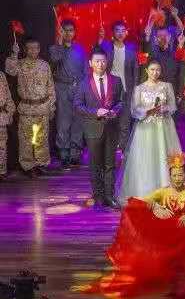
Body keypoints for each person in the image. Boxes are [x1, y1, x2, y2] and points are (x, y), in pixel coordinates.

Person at [87, 154, 185, 297]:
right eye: (174, 175)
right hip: (167, 231)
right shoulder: (163, 191)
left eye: (180, 175)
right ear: (170, 176)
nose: (177, 178)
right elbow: (141, 201)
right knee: (134, 209)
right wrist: (156, 206)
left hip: (184, 231)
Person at [119, 61, 181, 202]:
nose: (155, 72)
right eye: (152, 69)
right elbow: (134, 110)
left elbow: (173, 106)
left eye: (158, 70)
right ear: (147, 70)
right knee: (146, 158)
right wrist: (147, 111)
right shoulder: (139, 88)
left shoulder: (166, 86)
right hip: (145, 129)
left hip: (163, 127)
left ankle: (166, 190)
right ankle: (146, 190)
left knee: (163, 156)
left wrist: (164, 108)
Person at [73, 50, 125, 209]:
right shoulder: (83, 83)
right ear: (90, 63)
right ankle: (98, 195)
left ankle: (110, 196)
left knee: (110, 164)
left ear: (107, 62)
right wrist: (96, 112)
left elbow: (121, 102)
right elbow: (77, 105)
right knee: (95, 164)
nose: (100, 64)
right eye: (97, 61)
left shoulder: (116, 80)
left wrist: (115, 111)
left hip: (111, 128)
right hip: (92, 128)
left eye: (103, 61)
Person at [4, 38, 54, 179]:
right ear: (25, 50)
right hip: (27, 107)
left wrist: (51, 106)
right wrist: (14, 54)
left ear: (39, 49)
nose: (33, 51)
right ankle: (28, 166)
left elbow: (50, 86)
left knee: (41, 138)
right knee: (26, 139)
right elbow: (10, 70)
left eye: (36, 48)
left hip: (42, 107)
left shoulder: (44, 65)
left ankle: (40, 164)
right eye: (30, 48)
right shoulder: (19, 64)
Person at [50, 18, 87, 169]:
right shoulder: (55, 48)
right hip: (62, 88)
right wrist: (59, 43)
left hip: (78, 88)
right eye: (65, 30)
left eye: (71, 30)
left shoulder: (80, 49)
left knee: (78, 122)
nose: (68, 33)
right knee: (63, 122)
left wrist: (85, 89)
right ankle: (64, 154)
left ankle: (75, 155)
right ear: (61, 32)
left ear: (74, 32)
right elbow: (55, 59)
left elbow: (85, 70)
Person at [98, 20, 140, 149]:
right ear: (113, 32)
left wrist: (135, 90)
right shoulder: (107, 47)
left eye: (123, 30)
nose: (120, 33)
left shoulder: (131, 50)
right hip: (110, 90)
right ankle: (108, 148)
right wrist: (100, 40)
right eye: (117, 30)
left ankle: (123, 149)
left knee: (125, 122)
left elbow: (135, 72)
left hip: (126, 90)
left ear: (126, 33)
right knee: (109, 120)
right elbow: (97, 56)